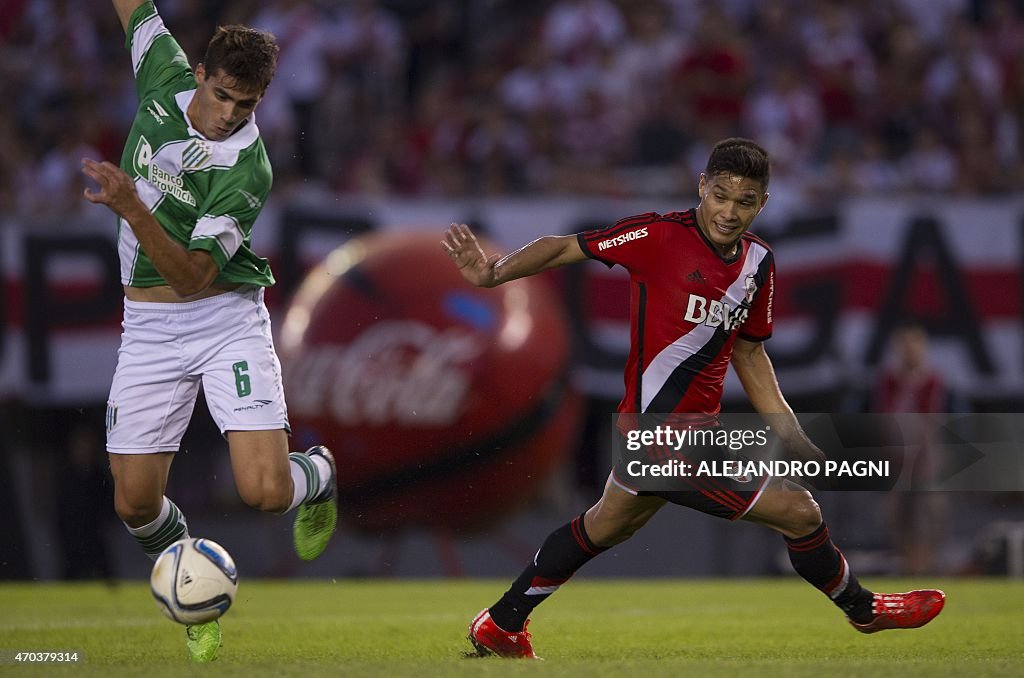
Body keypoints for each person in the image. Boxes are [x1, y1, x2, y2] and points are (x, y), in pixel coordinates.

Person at [441, 138, 945, 659]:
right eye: (721, 195)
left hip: (694, 431)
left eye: (745, 201)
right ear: (702, 186)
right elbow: (567, 245)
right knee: (798, 510)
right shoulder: (658, 236)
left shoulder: (758, 265)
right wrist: (492, 274)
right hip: (654, 437)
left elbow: (750, 357)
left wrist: (790, 431)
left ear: (763, 203)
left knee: (604, 525)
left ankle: (500, 624)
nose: (729, 212)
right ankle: (864, 610)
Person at [81, 0, 337, 663]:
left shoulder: (247, 168)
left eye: (246, 105)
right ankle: (192, 585)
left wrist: (133, 207)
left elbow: (193, 277)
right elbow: (135, 9)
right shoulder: (160, 73)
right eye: (222, 95)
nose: (229, 114)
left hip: (222, 320)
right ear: (198, 74)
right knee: (135, 503)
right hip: (148, 328)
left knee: (265, 492)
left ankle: (316, 474)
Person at [871, 324, 950, 575]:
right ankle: (907, 565)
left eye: (914, 345)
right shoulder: (888, 381)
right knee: (898, 517)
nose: (909, 351)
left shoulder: (933, 381)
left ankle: (924, 566)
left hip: (925, 461)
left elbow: (934, 422)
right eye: (904, 346)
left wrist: (928, 457)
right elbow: (882, 418)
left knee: (924, 517)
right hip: (895, 460)